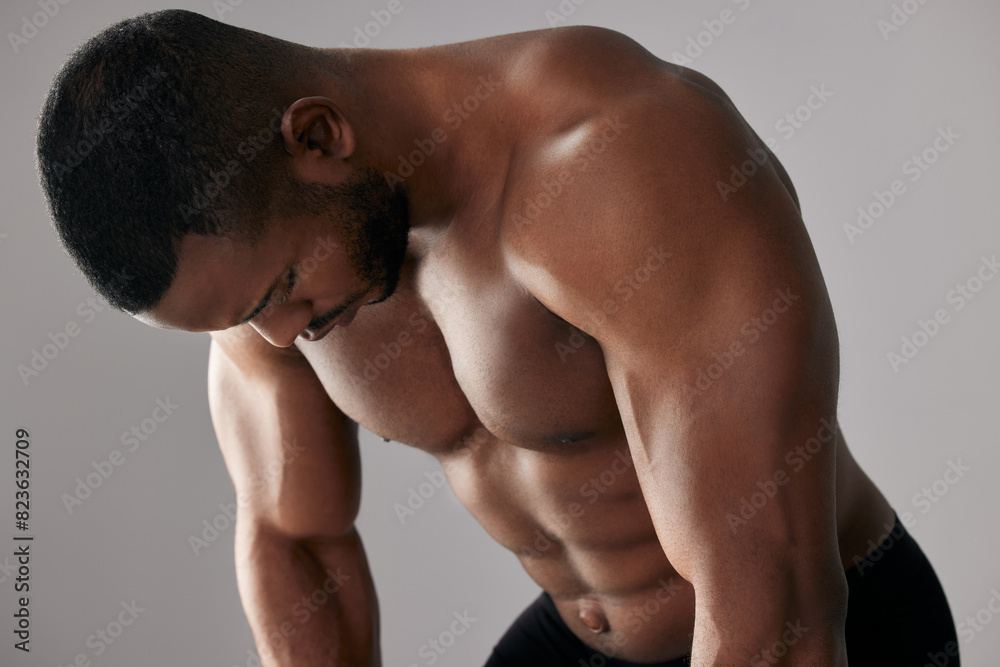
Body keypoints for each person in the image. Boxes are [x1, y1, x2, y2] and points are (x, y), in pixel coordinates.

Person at [36, 9, 959, 666]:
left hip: (825, 622)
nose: (278, 339)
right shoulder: (260, 282)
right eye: (243, 317)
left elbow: (775, 608)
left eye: (279, 291)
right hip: (584, 636)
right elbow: (295, 539)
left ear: (318, 137)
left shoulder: (621, 158)